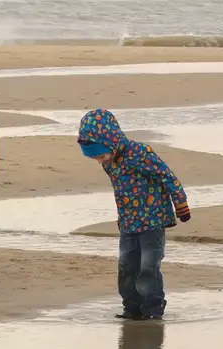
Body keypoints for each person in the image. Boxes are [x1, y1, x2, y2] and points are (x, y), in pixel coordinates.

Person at [77, 108, 191, 321]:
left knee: (148, 267)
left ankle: (153, 310)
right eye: (95, 158)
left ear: (110, 141)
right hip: (129, 224)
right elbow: (122, 192)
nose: (99, 161)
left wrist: (181, 203)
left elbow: (166, 176)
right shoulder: (110, 163)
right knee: (127, 267)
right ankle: (132, 309)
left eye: (100, 155)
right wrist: (122, 218)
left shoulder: (140, 153)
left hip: (153, 222)